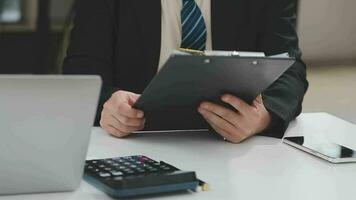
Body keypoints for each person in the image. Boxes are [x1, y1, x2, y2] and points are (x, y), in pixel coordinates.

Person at [63, 0, 308, 143]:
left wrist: (262, 117)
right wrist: (108, 101)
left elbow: (290, 69)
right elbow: (81, 72)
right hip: (135, 139)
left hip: (228, 142)